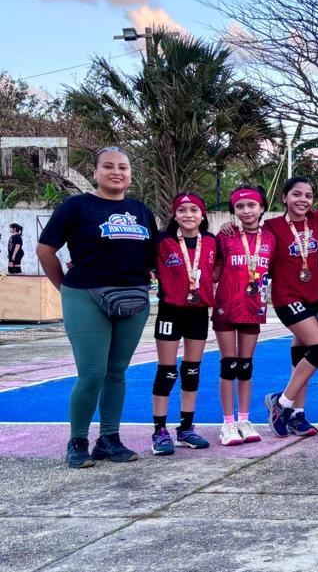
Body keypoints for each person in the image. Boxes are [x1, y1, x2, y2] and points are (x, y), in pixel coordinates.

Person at [37, 146, 158, 468]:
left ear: (130, 174)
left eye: (123, 167)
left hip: (132, 299)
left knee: (116, 372)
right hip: (85, 296)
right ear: (95, 172)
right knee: (92, 373)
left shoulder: (141, 210)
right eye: (108, 166)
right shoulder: (76, 206)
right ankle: (77, 441)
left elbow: (154, 255)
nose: (116, 172)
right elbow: (45, 249)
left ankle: (109, 439)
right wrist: (64, 287)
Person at [149, 192, 217, 455]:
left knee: (191, 371)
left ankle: (186, 428)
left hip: (198, 312)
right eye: (182, 210)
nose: (188, 215)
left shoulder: (211, 241)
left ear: (202, 214)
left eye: (194, 210)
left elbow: (218, 269)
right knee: (167, 371)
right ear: (174, 215)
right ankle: (159, 430)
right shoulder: (162, 241)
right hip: (170, 312)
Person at [261, 177, 318, 437]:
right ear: (284, 197)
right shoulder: (271, 226)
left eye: (308, 196)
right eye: (296, 194)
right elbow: (248, 233)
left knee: (303, 356)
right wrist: (229, 228)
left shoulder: (317, 222)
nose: (303, 200)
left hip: (313, 298)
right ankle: (282, 403)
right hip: (287, 297)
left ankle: (297, 416)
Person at [213, 185, 274, 446]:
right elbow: (213, 269)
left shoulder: (271, 238)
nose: (246, 210)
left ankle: (244, 420)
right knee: (229, 365)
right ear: (234, 210)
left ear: (262, 208)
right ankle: (228, 423)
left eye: (251, 205)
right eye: (240, 206)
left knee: (246, 365)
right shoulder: (224, 235)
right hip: (226, 306)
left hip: (253, 308)